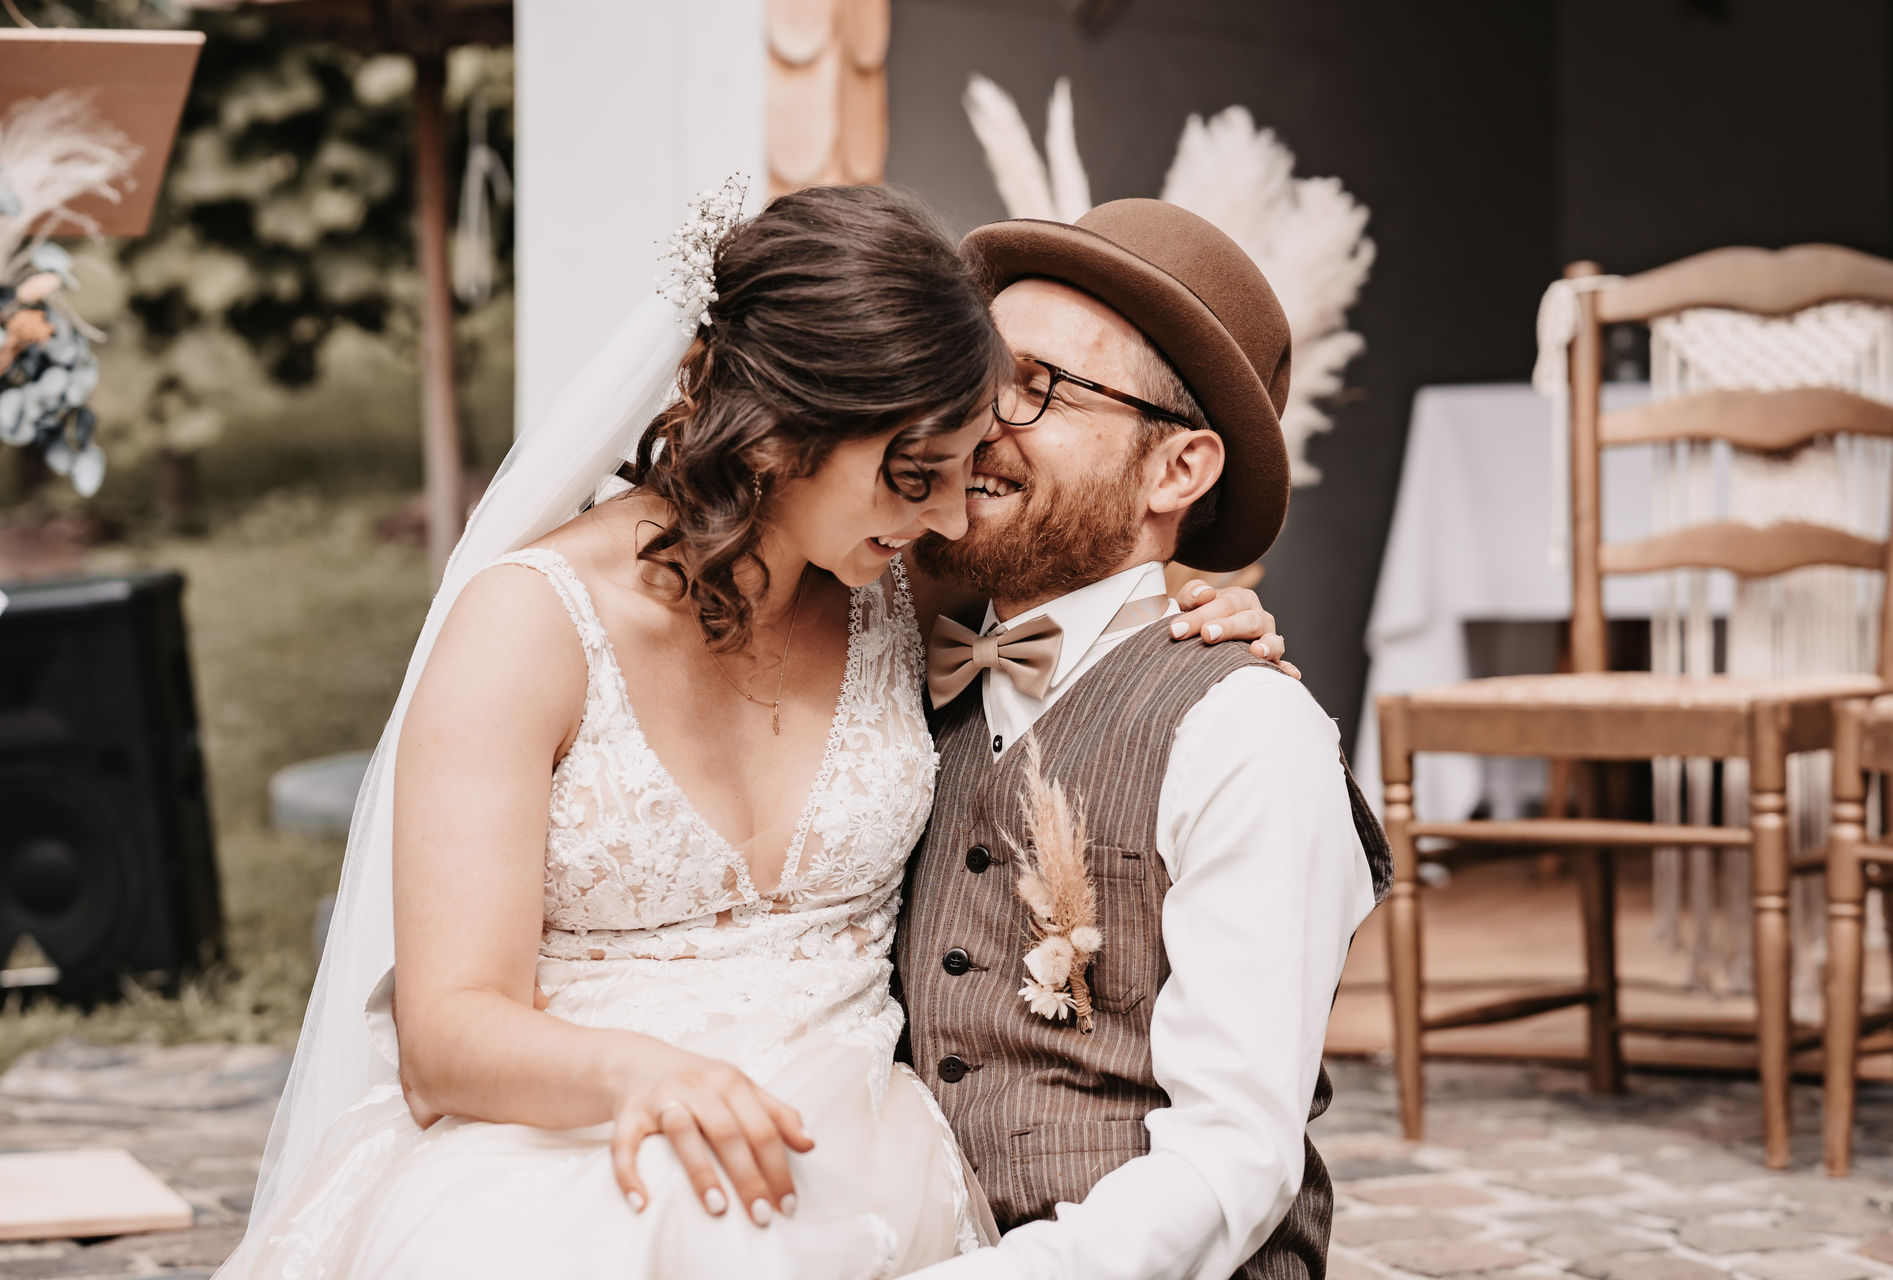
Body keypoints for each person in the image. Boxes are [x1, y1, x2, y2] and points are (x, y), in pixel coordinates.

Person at [216, 183, 1286, 1279]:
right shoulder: (528, 628)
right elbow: (443, 1040)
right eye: (916, 474)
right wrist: (644, 1075)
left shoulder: (899, 577)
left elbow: (1081, 593)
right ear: (782, 431)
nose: (955, 516)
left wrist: (1189, 603)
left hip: (864, 1163)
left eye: (961, 469)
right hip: (580, 1137)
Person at [895, 199, 1394, 1280]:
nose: (979, 423)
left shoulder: (1246, 730)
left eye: (1035, 388)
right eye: (975, 381)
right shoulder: (890, 681)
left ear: (1179, 470)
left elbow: (1234, 1159)